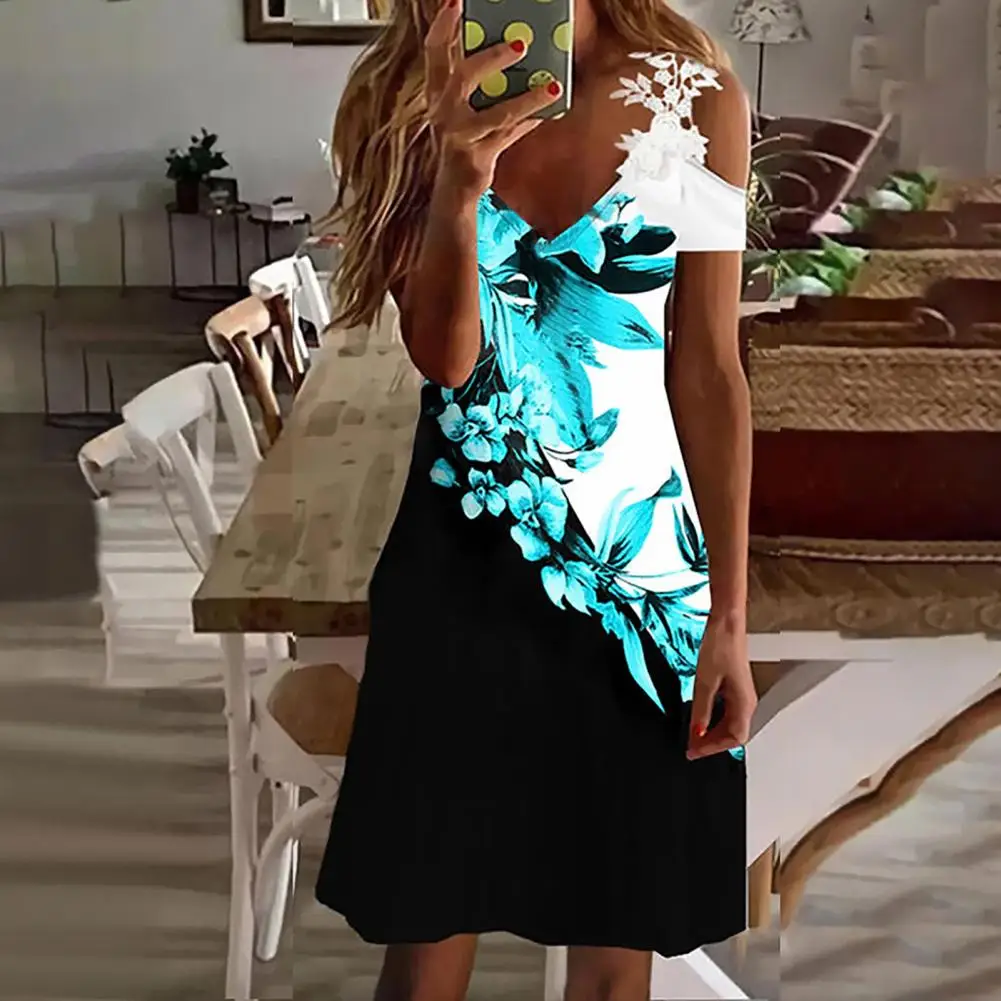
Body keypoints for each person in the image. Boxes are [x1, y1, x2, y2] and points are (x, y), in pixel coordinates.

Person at [317, 0, 758, 996]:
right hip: (456, 575)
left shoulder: (693, 99)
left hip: (639, 592)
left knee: (616, 953)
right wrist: (456, 178)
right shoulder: (407, 96)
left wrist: (727, 618)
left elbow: (707, 369)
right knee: (426, 945)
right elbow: (447, 361)